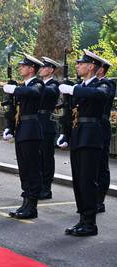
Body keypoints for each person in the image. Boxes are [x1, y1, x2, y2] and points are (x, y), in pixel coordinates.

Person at [58, 50, 108, 236]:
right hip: (78, 135)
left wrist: (73, 90)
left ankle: (90, 223)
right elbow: (70, 114)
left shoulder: (104, 84)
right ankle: (82, 219)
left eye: (81, 63)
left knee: (88, 181)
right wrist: (66, 134)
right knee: (78, 181)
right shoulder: (80, 86)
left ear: (92, 66)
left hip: (91, 136)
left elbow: (99, 95)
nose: (77, 65)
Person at [3, 53, 44, 219]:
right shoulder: (23, 86)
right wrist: (9, 128)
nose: (20, 68)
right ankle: (25, 202)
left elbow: (33, 93)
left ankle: (32, 206)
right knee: (24, 169)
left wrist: (15, 89)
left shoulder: (37, 83)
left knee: (32, 169)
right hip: (21, 130)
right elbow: (14, 110)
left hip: (31, 130)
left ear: (31, 68)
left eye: (23, 66)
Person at [38, 57, 61, 200]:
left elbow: (49, 92)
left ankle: (47, 188)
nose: (40, 69)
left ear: (51, 69)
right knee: (37, 157)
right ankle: (38, 185)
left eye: (44, 67)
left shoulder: (54, 85)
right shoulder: (39, 84)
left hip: (46, 123)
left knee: (46, 157)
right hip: (36, 122)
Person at [95, 57, 116, 213]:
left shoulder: (108, 84)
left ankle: (99, 200)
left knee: (101, 165)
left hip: (101, 127)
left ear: (101, 69)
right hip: (90, 128)